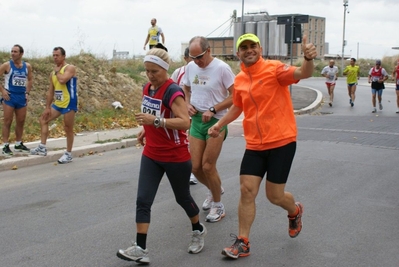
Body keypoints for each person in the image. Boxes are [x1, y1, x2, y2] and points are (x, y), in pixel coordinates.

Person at [208, 33, 317, 259]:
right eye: (244, 47)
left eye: (252, 46)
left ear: (260, 48)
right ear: (238, 53)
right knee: (247, 191)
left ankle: (294, 210)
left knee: (274, 196)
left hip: (281, 142)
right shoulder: (239, 79)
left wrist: (307, 59)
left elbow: (303, 73)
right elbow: (238, 107)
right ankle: (243, 242)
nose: (249, 50)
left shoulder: (274, 69)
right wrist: (219, 124)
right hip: (255, 145)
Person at [117, 47, 206, 264]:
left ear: (165, 69)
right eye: (147, 70)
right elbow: (154, 115)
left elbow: (185, 122)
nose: (150, 75)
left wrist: (154, 122)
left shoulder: (172, 91)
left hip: (175, 155)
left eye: (154, 71)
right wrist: (145, 130)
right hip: (151, 154)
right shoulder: (148, 87)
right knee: (143, 200)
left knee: (182, 198)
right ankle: (140, 248)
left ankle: (197, 229)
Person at [183, 36, 235, 223]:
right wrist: (187, 104)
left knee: (208, 166)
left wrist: (214, 109)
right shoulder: (191, 67)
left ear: (209, 50)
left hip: (216, 122)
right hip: (196, 121)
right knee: (195, 167)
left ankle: (218, 205)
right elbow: (186, 88)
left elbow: (235, 96)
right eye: (193, 57)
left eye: (200, 57)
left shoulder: (222, 68)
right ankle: (214, 189)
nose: (197, 61)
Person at [30, 47, 77, 164]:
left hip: (69, 102)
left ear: (63, 56)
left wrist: (57, 72)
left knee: (68, 128)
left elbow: (63, 80)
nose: (55, 57)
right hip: (58, 103)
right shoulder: (52, 73)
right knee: (43, 119)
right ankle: (42, 147)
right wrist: (47, 107)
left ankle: (68, 154)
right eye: (53, 55)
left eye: (57, 55)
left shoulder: (69, 68)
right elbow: (51, 91)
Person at [171, 47, 198, 185]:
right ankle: (184, 170)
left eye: (196, 58)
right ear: (185, 58)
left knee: (191, 142)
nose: (194, 61)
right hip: (181, 112)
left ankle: (192, 172)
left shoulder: (200, 72)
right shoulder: (178, 72)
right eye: (191, 58)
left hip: (196, 112)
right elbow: (170, 89)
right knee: (183, 142)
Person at [0, 44, 33, 156]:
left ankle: (18, 144)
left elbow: (30, 79)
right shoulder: (7, 65)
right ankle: (5, 145)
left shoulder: (27, 66)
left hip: (21, 97)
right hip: (10, 97)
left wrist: (27, 93)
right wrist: (3, 91)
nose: (13, 53)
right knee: (7, 121)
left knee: (21, 121)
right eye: (12, 51)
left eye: (15, 51)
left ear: (21, 54)